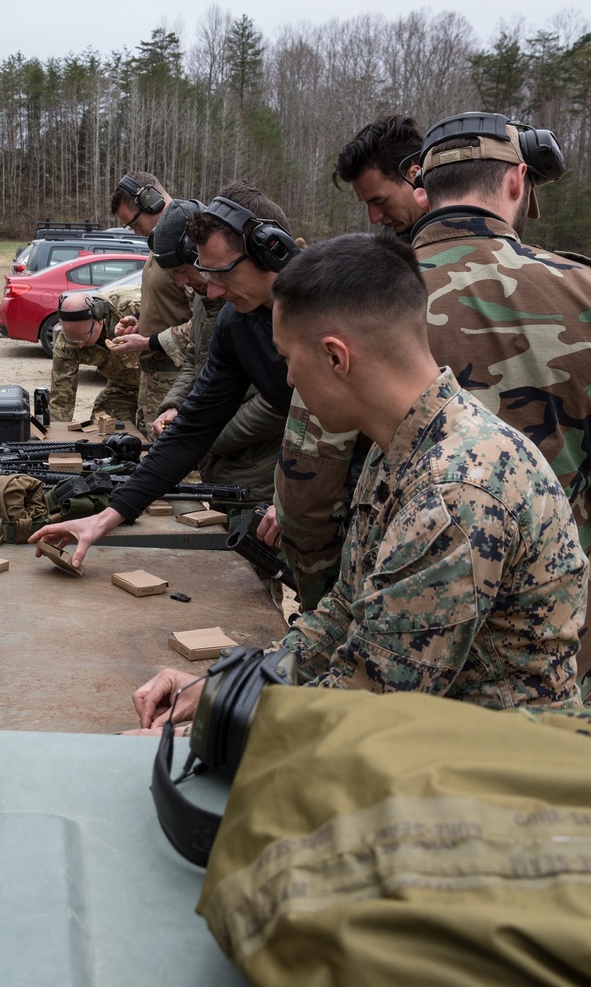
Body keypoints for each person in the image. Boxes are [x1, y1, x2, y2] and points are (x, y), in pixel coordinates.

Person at [135, 233, 587, 729]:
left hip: (495, 776)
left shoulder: (456, 491)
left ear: (336, 357)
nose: (287, 380)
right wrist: (225, 683)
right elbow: (345, 614)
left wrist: (227, 709)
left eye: (288, 358)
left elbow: (364, 702)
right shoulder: (400, 446)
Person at [277, 112, 591, 681]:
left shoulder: (365, 296)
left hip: (463, 697)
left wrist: (329, 601)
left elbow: (309, 479)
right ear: (519, 181)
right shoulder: (583, 290)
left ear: (422, 189)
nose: (292, 377)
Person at [30, 188, 298, 565]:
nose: (213, 290)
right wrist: (107, 517)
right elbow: (193, 428)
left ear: (271, 249)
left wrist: (296, 498)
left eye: (221, 272)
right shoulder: (235, 322)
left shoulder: (337, 310)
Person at [150, 192, 289, 504]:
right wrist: (175, 406)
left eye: (183, 270)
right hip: (225, 464)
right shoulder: (206, 302)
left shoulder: (256, 308)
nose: (180, 282)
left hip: (259, 471)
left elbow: (280, 402)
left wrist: (203, 436)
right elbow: (195, 361)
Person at [107, 173, 193, 436]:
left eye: (134, 222)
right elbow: (170, 305)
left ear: (152, 202)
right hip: (156, 378)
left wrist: (148, 342)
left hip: (177, 381)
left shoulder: (186, 246)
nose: (135, 231)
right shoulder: (161, 245)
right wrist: (139, 323)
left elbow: (205, 324)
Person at [49, 290, 141, 424]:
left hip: (161, 381)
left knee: (155, 432)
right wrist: (57, 436)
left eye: (84, 338)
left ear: (99, 321)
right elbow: (61, 399)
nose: (79, 345)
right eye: (73, 339)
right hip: (124, 387)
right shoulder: (68, 343)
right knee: (101, 426)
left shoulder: (133, 309)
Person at [332, 114, 425, 237]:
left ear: (415, 175)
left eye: (380, 201)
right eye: (367, 204)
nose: (373, 218)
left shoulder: (454, 233)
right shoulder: (391, 239)